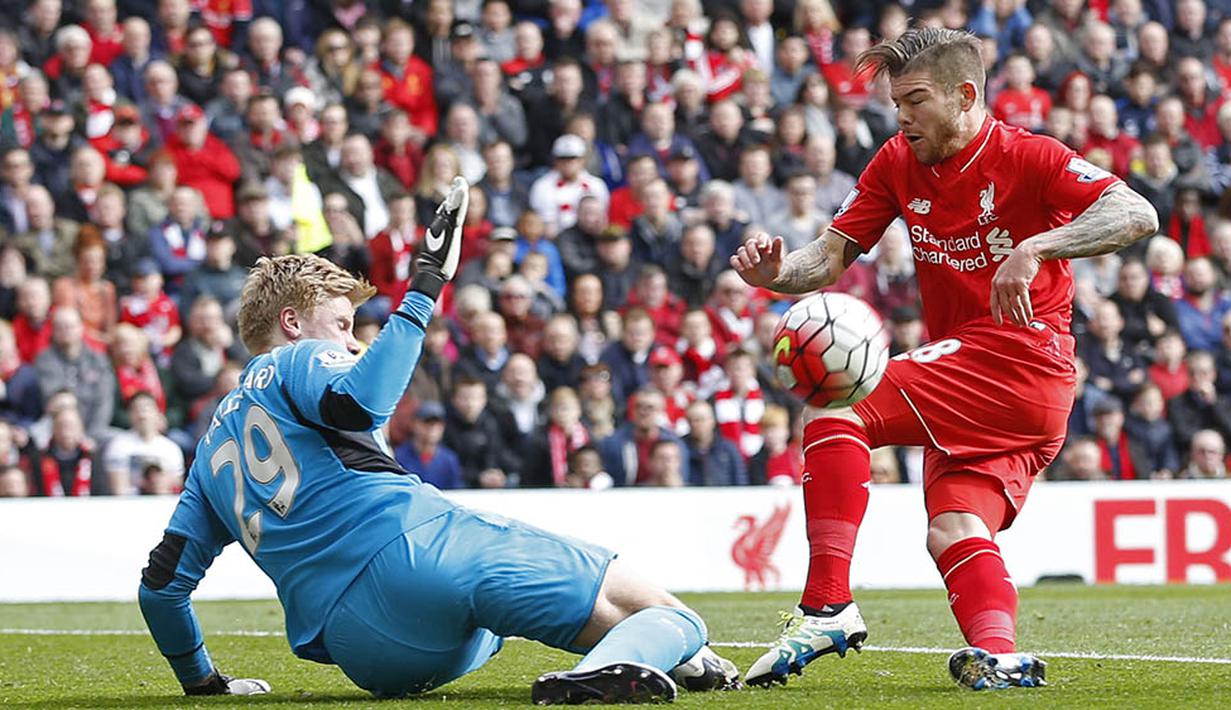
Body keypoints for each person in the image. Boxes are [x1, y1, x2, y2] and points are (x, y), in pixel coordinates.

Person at [136, 178, 738, 703]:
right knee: (667, 613)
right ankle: (652, 656)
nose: (351, 341)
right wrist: (425, 287)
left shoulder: (211, 452)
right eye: (343, 325)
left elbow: (161, 590)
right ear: (292, 323)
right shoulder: (297, 358)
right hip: (416, 553)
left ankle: (653, 664)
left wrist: (203, 683)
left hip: (369, 655)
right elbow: (360, 403)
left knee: (513, 621)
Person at [730, 28, 1158, 691]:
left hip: (1017, 359)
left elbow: (1135, 213)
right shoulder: (897, 161)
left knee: (837, 402)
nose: (900, 116)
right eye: (893, 102)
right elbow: (829, 255)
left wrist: (1038, 246)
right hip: (990, 390)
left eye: (915, 100)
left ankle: (825, 605)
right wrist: (777, 271)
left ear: (964, 95)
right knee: (952, 528)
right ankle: (1002, 657)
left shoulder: (1029, 155)